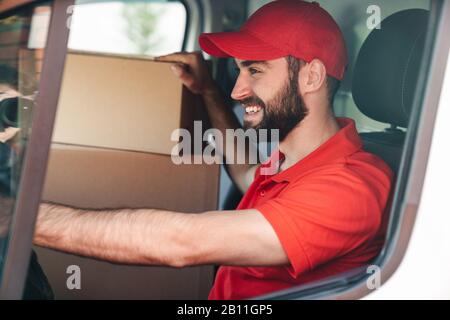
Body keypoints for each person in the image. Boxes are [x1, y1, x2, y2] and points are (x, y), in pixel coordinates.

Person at [34, 0, 393, 300]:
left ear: (311, 77)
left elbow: (181, 243)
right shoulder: (295, 159)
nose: (238, 91)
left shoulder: (350, 186)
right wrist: (207, 90)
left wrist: (24, 220)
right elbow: (244, 172)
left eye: (255, 70)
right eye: (239, 71)